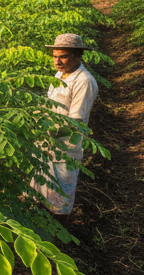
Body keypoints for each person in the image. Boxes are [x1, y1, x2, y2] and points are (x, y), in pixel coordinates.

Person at [33, 33, 99, 218]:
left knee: (58, 196)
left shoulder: (84, 81)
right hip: (46, 142)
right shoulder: (60, 74)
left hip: (65, 147)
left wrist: (47, 132)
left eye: (63, 56)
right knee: (40, 190)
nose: (57, 61)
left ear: (78, 56)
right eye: (55, 56)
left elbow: (76, 122)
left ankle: (59, 232)